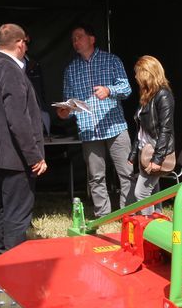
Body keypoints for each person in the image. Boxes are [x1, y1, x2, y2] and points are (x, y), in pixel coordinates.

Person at [0, 23, 47, 259]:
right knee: (17, 212)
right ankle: (13, 264)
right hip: (16, 155)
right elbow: (18, 120)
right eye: (26, 42)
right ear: (19, 43)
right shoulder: (12, 71)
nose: (26, 47)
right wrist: (34, 156)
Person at [57, 24, 132, 218]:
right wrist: (65, 111)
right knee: (96, 177)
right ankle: (103, 216)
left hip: (115, 127)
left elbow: (126, 88)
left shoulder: (111, 60)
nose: (75, 42)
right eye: (73, 39)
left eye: (79, 37)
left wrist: (109, 90)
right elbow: (70, 103)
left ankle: (128, 214)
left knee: (126, 172)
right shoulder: (71, 70)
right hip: (89, 130)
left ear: (92, 39)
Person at [127, 56, 176, 215]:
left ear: (147, 73)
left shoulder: (163, 95)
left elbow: (165, 129)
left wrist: (157, 159)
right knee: (153, 194)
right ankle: (159, 224)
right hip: (145, 152)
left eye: (138, 73)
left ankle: (148, 229)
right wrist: (133, 154)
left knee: (141, 193)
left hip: (156, 153)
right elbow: (140, 130)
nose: (135, 77)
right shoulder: (146, 96)